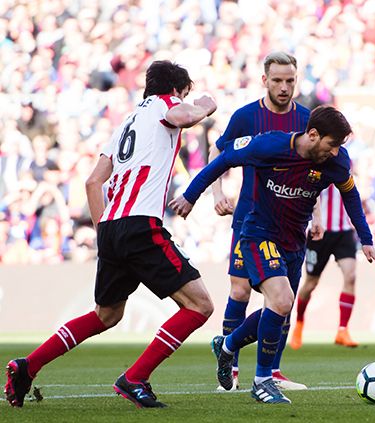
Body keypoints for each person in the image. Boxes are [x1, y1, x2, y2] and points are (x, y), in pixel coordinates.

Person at [4, 61, 217, 408]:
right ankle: (135, 378)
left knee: (107, 315)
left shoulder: (124, 125)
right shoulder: (167, 105)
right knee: (200, 305)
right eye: (184, 95)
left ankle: (28, 366)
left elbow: (92, 182)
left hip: (112, 226)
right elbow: (187, 117)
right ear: (176, 91)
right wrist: (207, 103)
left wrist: (104, 229)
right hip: (140, 225)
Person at [170, 105, 375, 404]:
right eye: (332, 144)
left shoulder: (336, 162)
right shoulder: (268, 145)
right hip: (258, 233)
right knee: (281, 301)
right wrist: (192, 195)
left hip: (295, 242)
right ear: (312, 135)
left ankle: (228, 345)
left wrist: (366, 239)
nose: (336, 152)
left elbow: (350, 193)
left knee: (280, 310)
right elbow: (225, 158)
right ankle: (262, 381)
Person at [208, 51, 316, 391]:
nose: (284, 87)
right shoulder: (246, 117)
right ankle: (231, 367)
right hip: (250, 217)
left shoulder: (307, 119)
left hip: (292, 223)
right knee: (240, 290)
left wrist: (317, 215)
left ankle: (272, 370)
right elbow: (219, 153)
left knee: (283, 298)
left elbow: (321, 166)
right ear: (264, 81)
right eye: (278, 80)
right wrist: (217, 193)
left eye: (290, 81)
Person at [290, 185, 361, 350]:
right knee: (311, 283)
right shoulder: (314, 163)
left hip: (343, 231)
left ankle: (342, 330)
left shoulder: (345, 163)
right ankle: (299, 323)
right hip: (318, 232)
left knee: (350, 276)